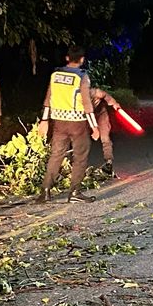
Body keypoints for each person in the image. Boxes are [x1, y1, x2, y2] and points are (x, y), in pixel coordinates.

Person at [34, 45, 100, 203]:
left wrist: (44, 121)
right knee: (80, 157)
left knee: (56, 155)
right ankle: (75, 193)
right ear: (82, 60)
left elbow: (48, 98)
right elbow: (86, 103)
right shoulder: (82, 77)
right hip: (77, 123)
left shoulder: (55, 74)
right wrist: (94, 126)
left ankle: (45, 191)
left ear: (67, 58)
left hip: (59, 122)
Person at [89, 85, 121, 178]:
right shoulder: (74, 97)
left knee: (105, 137)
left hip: (100, 113)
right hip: (85, 116)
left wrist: (114, 103)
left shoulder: (95, 92)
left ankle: (108, 162)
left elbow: (106, 96)